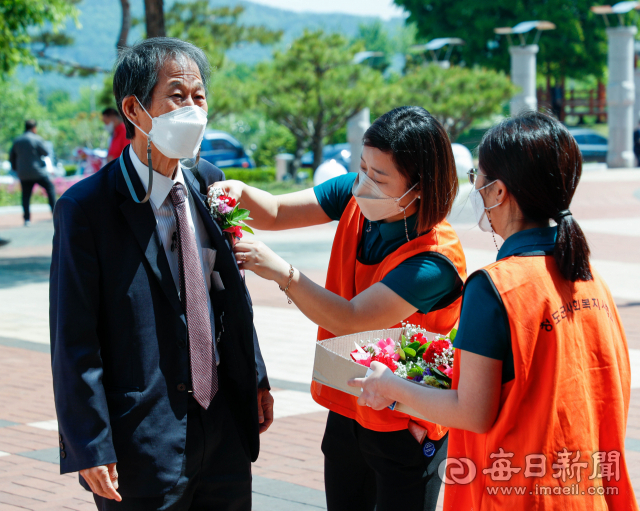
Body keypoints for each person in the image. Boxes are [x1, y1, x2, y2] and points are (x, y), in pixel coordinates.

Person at [350, 111, 637, 510]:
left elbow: (472, 411)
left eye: (478, 178)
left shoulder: (495, 287)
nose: (477, 189)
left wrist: (390, 387)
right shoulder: (591, 279)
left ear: (498, 192)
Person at [50, 37, 274, 511]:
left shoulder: (208, 183)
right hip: (142, 440)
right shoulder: (86, 208)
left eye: (199, 96)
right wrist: (89, 442)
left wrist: (254, 374)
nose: (193, 109)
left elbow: (229, 293)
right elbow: (73, 337)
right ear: (134, 109)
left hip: (224, 430)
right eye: (177, 96)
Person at [214, 106, 467, 511]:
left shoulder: (434, 261)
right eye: (362, 167)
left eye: (379, 176)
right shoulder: (359, 195)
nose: (363, 183)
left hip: (405, 423)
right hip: (350, 409)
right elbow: (276, 211)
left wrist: (283, 272)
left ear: (419, 187)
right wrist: (239, 193)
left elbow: (350, 318)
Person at [9, 119, 56, 226]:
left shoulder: (17, 140)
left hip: (23, 174)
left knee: (26, 195)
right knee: (50, 188)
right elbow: (45, 152)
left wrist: (16, 170)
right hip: (37, 172)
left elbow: (12, 157)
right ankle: (54, 213)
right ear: (34, 128)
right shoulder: (37, 139)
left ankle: (27, 219)